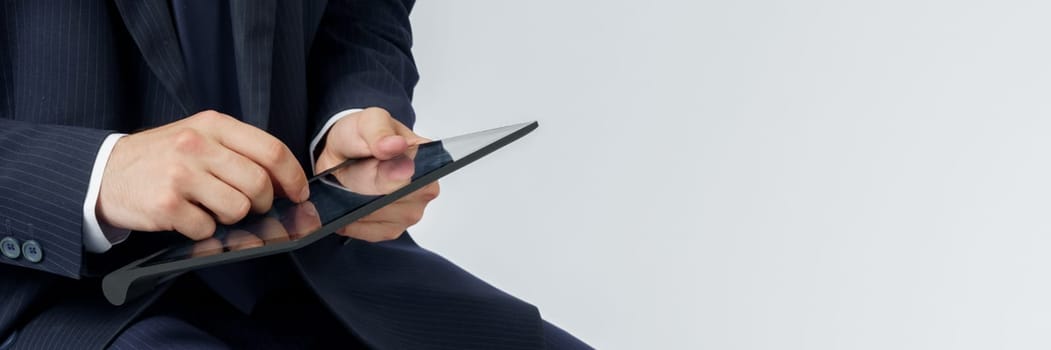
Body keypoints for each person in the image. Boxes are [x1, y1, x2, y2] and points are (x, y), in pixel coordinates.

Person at [0, 0, 589, 348]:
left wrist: (349, 119)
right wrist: (95, 174)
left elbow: (362, 14)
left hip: (315, 268)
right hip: (46, 299)